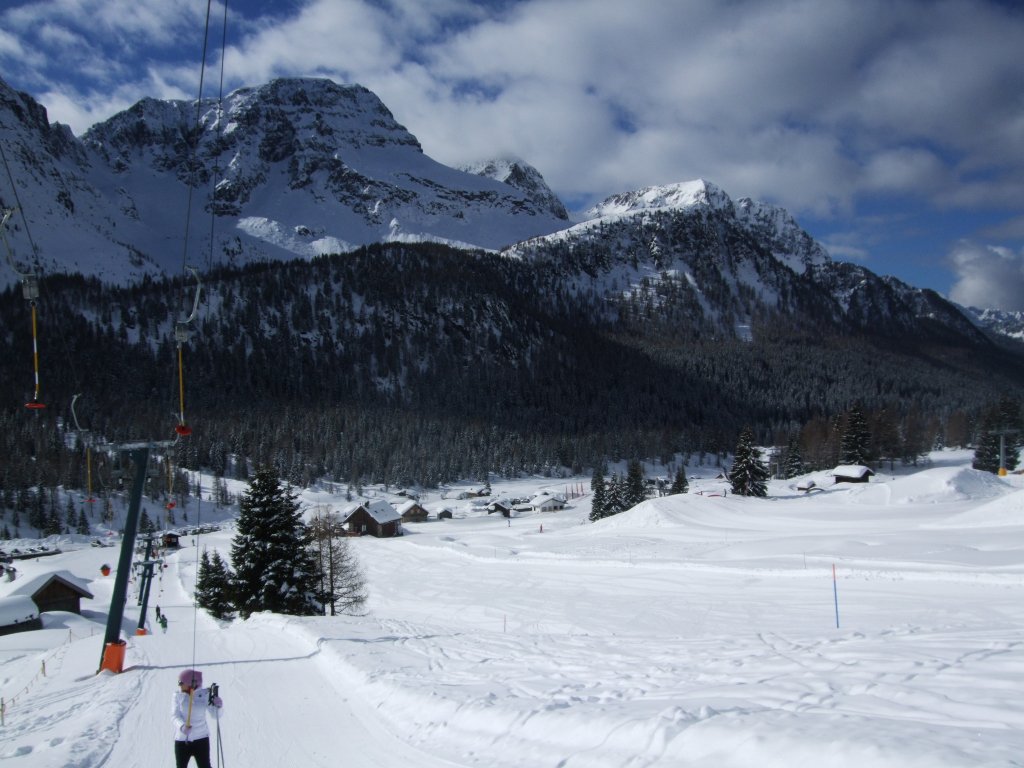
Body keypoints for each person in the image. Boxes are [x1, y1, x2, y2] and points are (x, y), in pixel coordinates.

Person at [172, 668, 223, 768]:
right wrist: (182, 727)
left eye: (181, 682)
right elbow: (174, 716)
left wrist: (219, 706)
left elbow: (215, 715)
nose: (179, 685)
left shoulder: (205, 694)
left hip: (201, 739)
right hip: (182, 740)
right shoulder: (177, 696)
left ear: (192, 683)